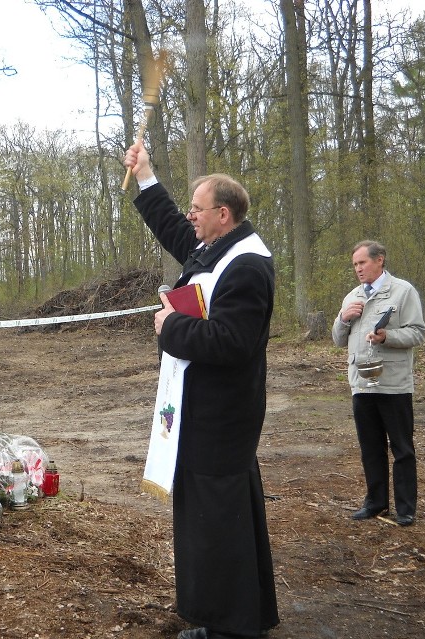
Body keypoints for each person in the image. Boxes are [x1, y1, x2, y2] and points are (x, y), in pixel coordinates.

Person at [124, 140, 279, 639]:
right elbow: (173, 227)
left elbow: (233, 342)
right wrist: (145, 174)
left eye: (199, 209)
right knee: (221, 516)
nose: (190, 216)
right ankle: (242, 615)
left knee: (217, 525)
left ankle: (229, 627)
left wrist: (169, 327)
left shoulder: (249, 266)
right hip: (206, 412)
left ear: (224, 214)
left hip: (222, 416)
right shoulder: (219, 248)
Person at [332, 240, 425, 526]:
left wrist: (388, 337)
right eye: (355, 265)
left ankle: (406, 508)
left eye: (362, 263)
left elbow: (417, 333)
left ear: (380, 260)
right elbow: (338, 339)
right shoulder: (352, 296)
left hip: (393, 383)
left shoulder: (402, 291)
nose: (358, 269)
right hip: (362, 383)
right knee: (370, 447)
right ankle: (375, 503)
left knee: (401, 448)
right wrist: (344, 319)